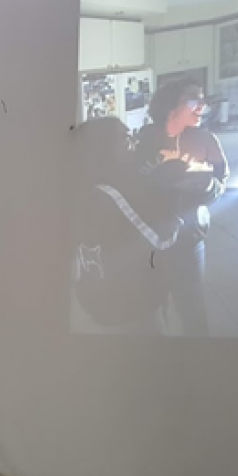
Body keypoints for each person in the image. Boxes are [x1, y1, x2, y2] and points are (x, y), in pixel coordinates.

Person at [71, 117, 184, 333]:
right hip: (129, 304)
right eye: (125, 137)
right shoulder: (110, 194)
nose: (133, 143)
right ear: (103, 146)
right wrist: (172, 192)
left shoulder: (86, 185)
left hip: (97, 294)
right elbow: (162, 238)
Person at [134, 82, 229, 335]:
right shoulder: (146, 138)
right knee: (153, 309)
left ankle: (198, 364)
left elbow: (222, 180)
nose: (203, 105)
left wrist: (209, 187)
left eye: (202, 99)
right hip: (150, 238)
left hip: (189, 239)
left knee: (193, 310)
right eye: (193, 99)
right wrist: (160, 166)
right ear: (170, 106)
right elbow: (135, 183)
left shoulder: (206, 140)